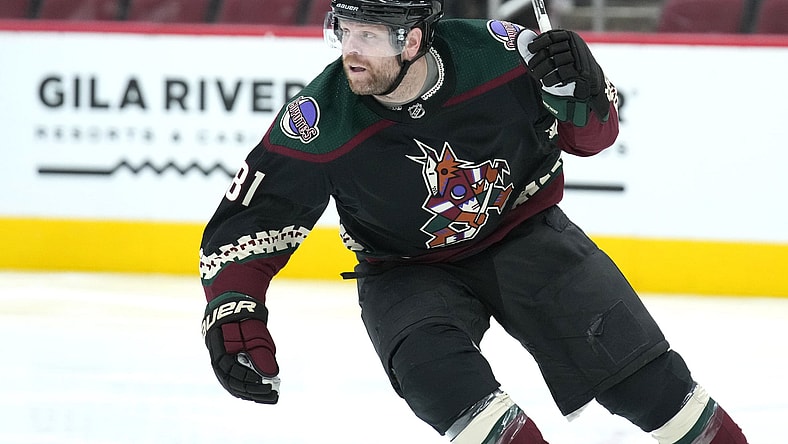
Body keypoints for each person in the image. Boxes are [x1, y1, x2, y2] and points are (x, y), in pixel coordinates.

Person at [199, 1, 748, 442]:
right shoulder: (320, 119)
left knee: (654, 389)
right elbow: (250, 223)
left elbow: (591, 140)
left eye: (368, 35)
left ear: (412, 40)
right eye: (344, 30)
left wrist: (584, 94)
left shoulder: (503, 55)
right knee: (452, 394)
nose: (350, 51)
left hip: (527, 239)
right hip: (405, 273)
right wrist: (233, 310)